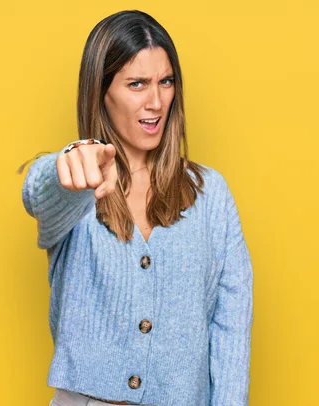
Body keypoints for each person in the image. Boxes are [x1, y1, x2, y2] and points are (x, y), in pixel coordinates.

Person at [20, 9, 253, 406]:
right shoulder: (77, 186)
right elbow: (39, 192)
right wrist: (71, 159)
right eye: (137, 83)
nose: (156, 101)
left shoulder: (211, 195)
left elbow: (231, 333)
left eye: (166, 82)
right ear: (101, 92)